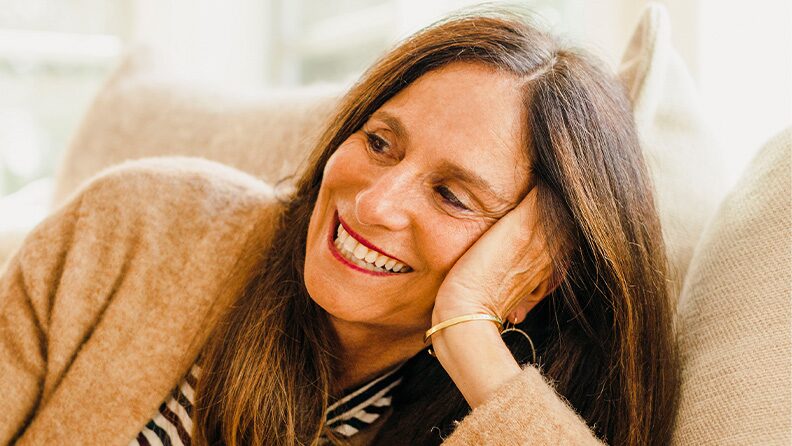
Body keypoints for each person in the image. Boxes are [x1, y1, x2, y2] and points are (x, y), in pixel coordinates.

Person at [0, 7, 679, 446]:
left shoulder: (501, 413)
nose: (375, 203)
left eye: (451, 195)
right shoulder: (139, 223)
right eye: (380, 142)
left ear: (534, 272)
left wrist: (470, 334)